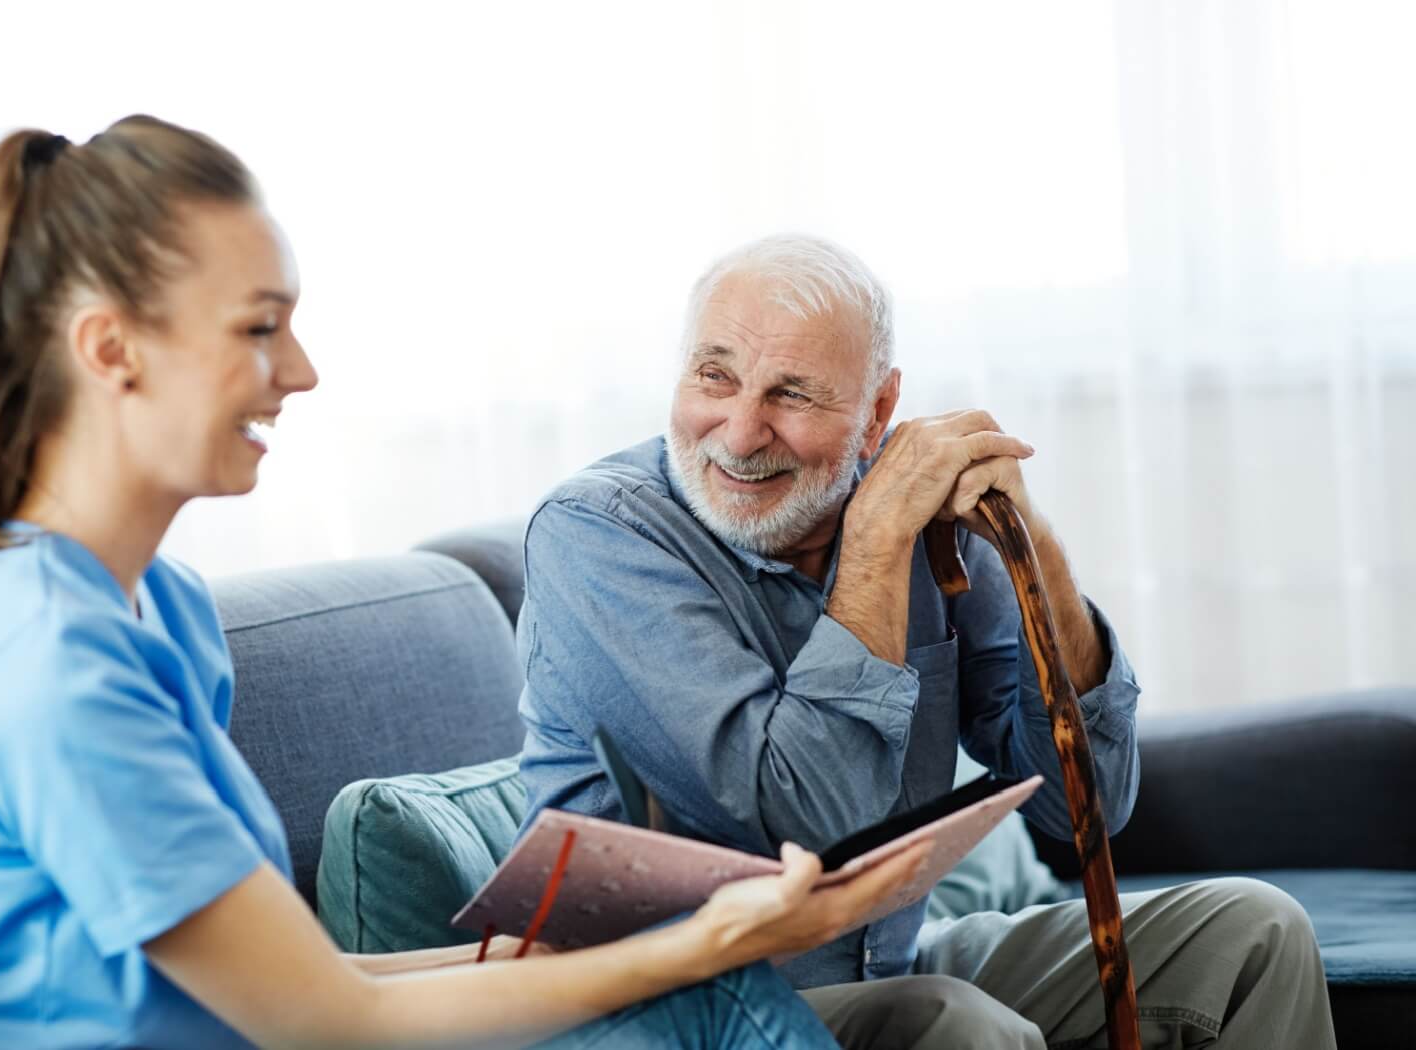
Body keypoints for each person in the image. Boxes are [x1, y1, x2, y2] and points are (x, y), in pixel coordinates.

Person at [0, 119, 932, 1050]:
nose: (302, 369)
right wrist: (716, 935)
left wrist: (500, 969)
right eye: (257, 327)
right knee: (705, 996)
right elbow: (323, 1025)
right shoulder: (49, 667)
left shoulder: (163, 610)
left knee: (698, 988)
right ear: (112, 350)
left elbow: (295, 987)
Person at [513, 233, 1338, 1048]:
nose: (738, 432)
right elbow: (810, 824)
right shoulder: (598, 538)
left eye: (792, 394)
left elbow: (1083, 802)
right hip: (687, 1015)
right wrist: (874, 544)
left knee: (1251, 934)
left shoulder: (919, 515)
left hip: (885, 969)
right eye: (715, 375)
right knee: (953, 1023)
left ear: (877, 411)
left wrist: (1033, 543)